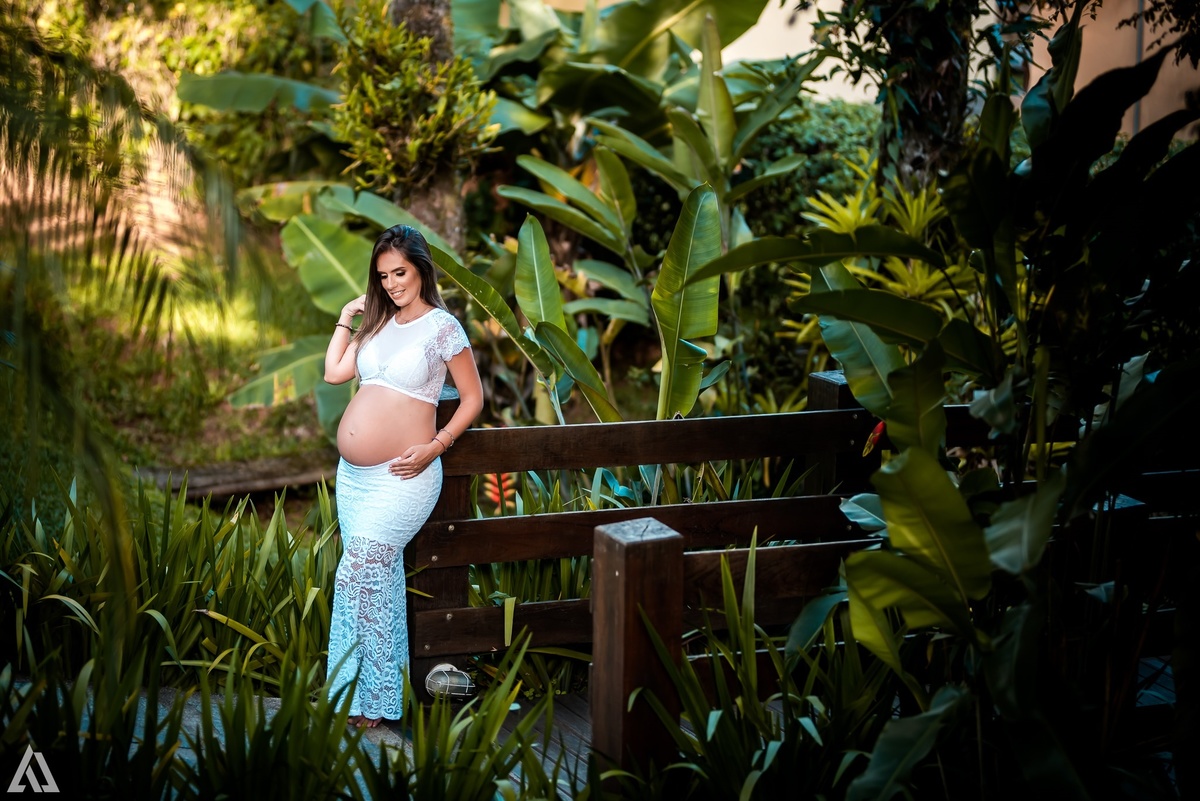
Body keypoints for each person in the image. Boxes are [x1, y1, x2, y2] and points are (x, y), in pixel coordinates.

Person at [322, 223, 483, 728]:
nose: (392, 283)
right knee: (373, 580)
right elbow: (335, 374)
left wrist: (436, 446)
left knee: (357, 571)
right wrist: (348, 317)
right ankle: (368, 702)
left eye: (401, 272)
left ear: (421, 269)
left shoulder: (443, 328)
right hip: (354, 479)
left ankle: (365, 698)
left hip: (405, 476)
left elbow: (473, 399)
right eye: (383, 275)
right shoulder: (376, 322)